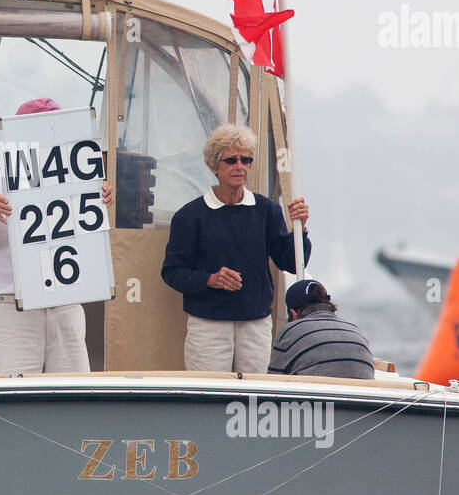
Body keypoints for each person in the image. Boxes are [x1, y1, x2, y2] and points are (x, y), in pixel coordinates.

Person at [0, 98, 114, 375]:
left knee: (73, 398)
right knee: (10, 402)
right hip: (11, 307)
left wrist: (99, 198)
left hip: (66, 302)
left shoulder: (79, 174)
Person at [160, 123, 310, 373]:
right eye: (231, 160)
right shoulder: (189, 217)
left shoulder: (267, 212)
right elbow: (172, 272)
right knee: (207, 398)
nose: (239, 166)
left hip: (255, 324)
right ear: (213, 166)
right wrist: (210, 279)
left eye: (246, 159)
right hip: (208, 326)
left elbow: (291, 262)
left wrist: (300, 230)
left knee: (253, 398)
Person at [269, 279, 375, 379]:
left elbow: (274, 379)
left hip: (312, 396)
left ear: (293, 313)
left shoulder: (291, 330)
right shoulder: (356, 330)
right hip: (360, 395)